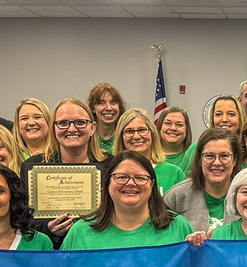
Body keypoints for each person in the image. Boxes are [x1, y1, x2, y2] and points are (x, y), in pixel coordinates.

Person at [63, 152, 193, 249]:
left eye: (140, 178)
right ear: (108, 183)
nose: (131, 183)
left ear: (152, 185)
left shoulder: (178, 228)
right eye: (121, 177)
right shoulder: (80, 232)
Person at [21, 98, 109, 241]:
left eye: (80, 122)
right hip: (52, 252)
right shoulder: (33, 167)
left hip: (98, 247)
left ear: (92, 128)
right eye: (63, 123)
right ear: (53, 128)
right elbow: (23, 219)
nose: (72, 129)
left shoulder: (111, 165)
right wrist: (47, 229)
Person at [164, 128, 241, 232]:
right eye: (209, 156)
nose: (217, 162)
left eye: (224, 156)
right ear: (200, 159)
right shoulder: (176, 196)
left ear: (235, 160)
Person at [113, 108, 184, 194]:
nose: (136, 136)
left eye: (142, 130)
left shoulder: (174, 173)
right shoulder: (114, 174)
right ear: (121, 137)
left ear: (152, 133)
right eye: (129, 131)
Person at [178, 95, 245, 173]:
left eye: (231, 114)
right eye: (218, 114)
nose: (224, 119)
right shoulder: (195, 148)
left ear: (240, 118)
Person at [88, 82, 126, 154]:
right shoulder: (86, 136)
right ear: (93, 108)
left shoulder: (126, 135)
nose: (108, 108)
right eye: (101, 103)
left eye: (113, 102)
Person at [156, 106, 192, 173]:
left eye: (179, 124)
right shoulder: (149, 157)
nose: (173, 128)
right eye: (168, 123)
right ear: (159, 128)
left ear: (186, 130)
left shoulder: (193, 157)